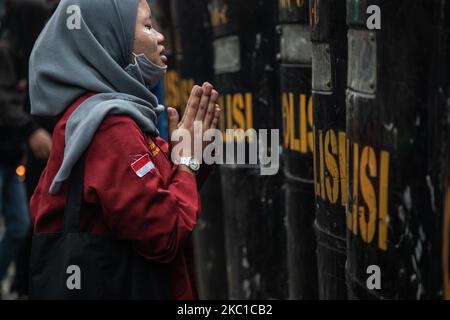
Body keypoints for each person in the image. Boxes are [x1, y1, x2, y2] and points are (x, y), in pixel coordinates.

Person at [29, 0, 221, 299]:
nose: (160, 36)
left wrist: (187, 158)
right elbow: (164, 233)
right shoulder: (110, 126)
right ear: (109, 41)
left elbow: (162, 197)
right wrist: (186, 159)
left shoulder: (114, 114)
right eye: (146, 26)